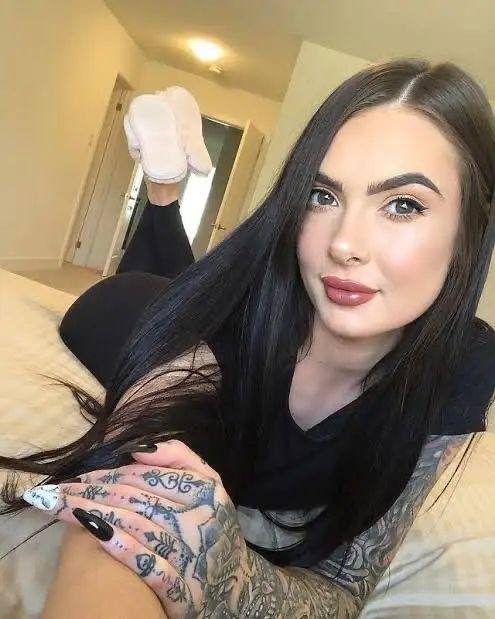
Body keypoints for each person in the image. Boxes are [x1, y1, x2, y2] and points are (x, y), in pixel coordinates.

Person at [1, 59, 494, 618]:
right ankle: (163, 190)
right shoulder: (216, 347)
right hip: (124, 310)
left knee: (184, 277)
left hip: (205, 301)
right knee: (155, 284)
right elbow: (133, 524)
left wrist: (231, 570)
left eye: (403, 205)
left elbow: (343, 592)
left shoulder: (467, 362)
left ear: (469, 233)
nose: (344, 244)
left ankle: (165, 187)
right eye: (322, 195)